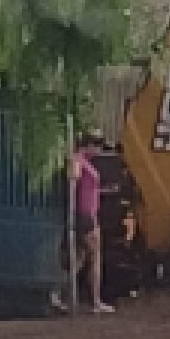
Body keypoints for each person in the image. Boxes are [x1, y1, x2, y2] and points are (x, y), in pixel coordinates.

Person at [69, 131, 114, 314]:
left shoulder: (85, 161)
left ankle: (60, 292)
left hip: (88, 213)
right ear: (89, 144)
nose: (100, 149)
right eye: (98, 145)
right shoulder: (78, 160)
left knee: (80, 258)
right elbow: (74, 181)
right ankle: (95, 301)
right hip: (85, 215)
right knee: (94, 256)